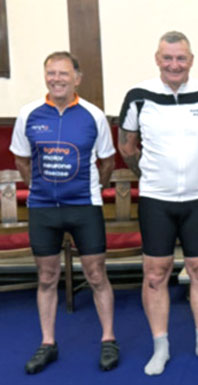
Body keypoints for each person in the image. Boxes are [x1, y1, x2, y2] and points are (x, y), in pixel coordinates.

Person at [117, 31, 198, 375]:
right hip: (156, 200)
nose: (174, 64)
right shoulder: (138, 96)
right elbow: (127, 146)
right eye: (168, 58)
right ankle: (160, 346)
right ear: (157, 59)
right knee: (155, 273)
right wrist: (151, 173)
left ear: (191, 60)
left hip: (197, 198)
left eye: (181, 58)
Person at [13, 51, 119, 373]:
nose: (56, 79)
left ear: (77, 78)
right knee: (47, 277)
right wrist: (40, 188)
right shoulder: (29, 114)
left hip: (84, 206)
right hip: (43, 208)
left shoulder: (93, 116)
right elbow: (21, 159)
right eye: (51, 73)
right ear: (45, 76)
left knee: (96, 274)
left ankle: (108, 339)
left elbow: (108, 162)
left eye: (63, 73)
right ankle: (48, 343)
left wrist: (93, 190)